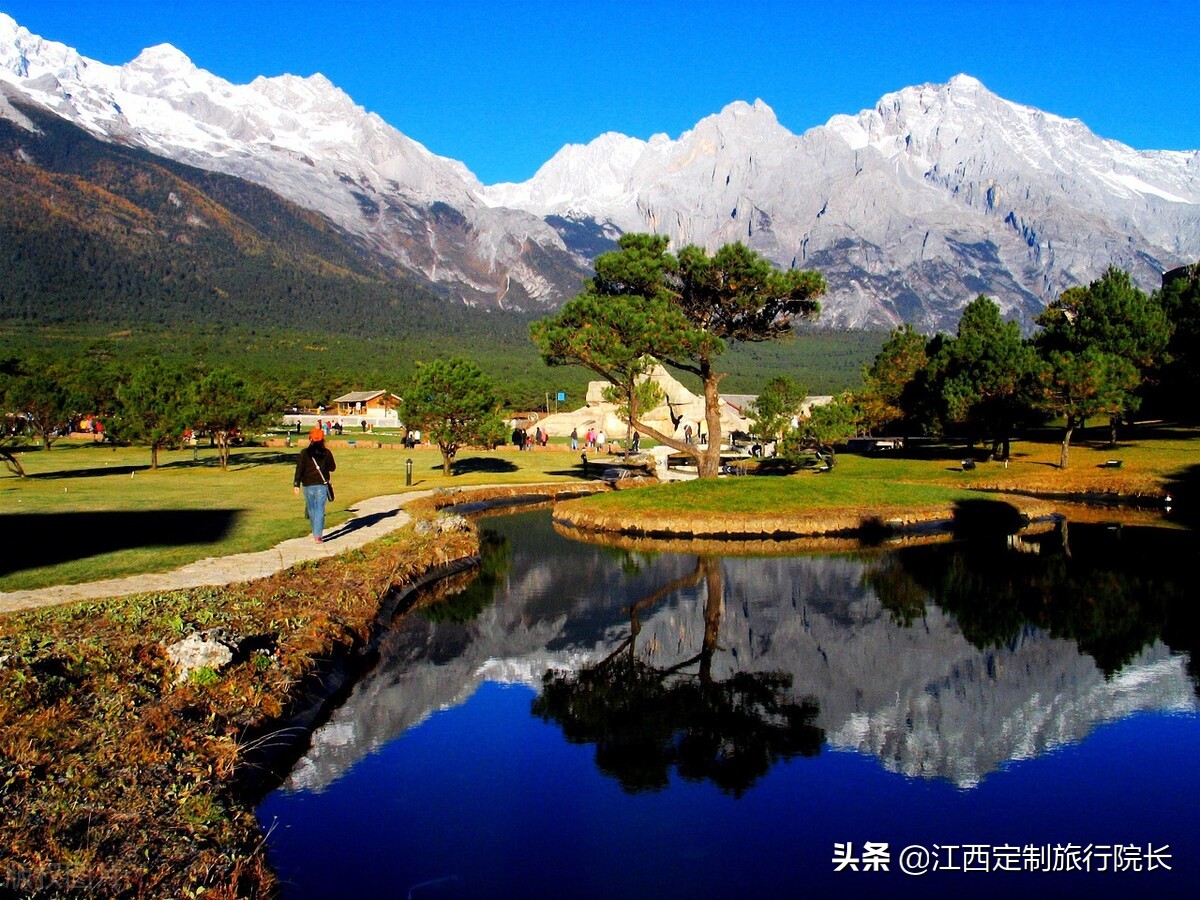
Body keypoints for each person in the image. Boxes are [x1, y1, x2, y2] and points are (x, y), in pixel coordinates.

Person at [294, 427, 336, 543]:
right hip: (321, 485)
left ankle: (315, 533)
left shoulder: (304, 453)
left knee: (312, 510)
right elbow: (332, 468)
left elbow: (299, 469)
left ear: (310, 439)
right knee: (319, 510)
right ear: (323, 440)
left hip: (307, 485)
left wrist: (296, 484)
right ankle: (318, 535)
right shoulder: (326, 453)